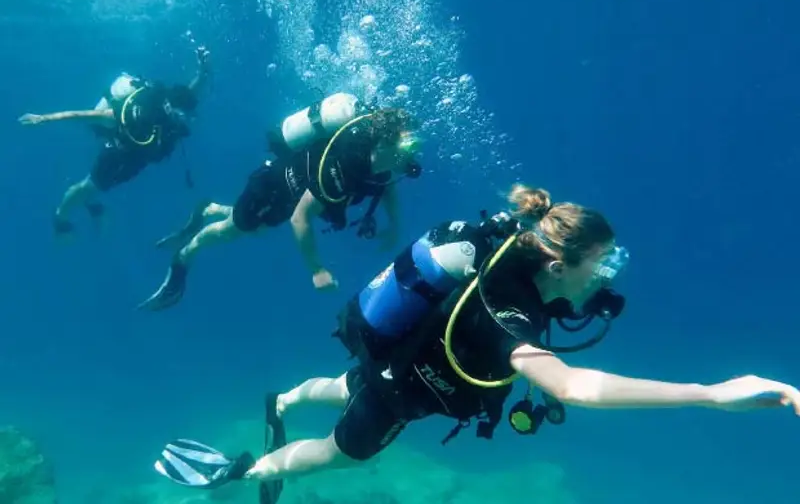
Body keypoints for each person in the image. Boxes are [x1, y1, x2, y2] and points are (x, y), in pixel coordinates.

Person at [151, 184, 800, 502]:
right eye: (600, 265)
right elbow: (576, 386)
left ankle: (285, 399)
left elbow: (558, 297)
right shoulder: (506, 311)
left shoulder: (515, 247)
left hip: (396, 354)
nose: (606, 276)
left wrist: (589, 292)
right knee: (340, 455)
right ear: (557, 263)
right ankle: (242, 471)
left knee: (350, 383)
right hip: (405, 389)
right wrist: (711, 394)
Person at [138, 103, 422, 311]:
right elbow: (300, 219)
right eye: (407, 147)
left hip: (291, 196)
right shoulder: (345, 166)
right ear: (383, 142)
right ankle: (183, 257)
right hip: (270, 188)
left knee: (257, 228)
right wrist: (317, 270)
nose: (410, 157)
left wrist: (395, 225)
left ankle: (209, 209)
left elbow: (386, 188)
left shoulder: (380, 166)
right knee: (232, 230)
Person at [17, 46, 211, 234]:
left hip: (138, 155)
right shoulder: (138, 115)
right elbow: (86, 115)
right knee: (89, 185)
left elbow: (192, 91)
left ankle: (91, 201)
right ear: (170, 111)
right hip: (119, 146)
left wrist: (202, 71)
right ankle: (60, 217)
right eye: (183, 116)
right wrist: (44, 118)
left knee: (102, 185)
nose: (188, 120)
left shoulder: (174, 111)